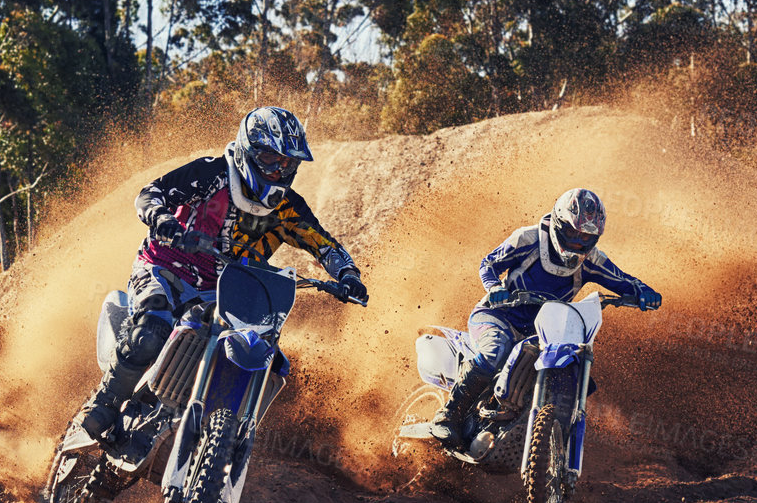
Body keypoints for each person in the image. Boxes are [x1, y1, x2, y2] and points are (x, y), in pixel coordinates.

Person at [77, 106, 369, 440]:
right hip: (165, 270)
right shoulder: (212, 173)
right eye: (271, 159)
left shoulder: (289, 207)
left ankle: (215, 434)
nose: (278, 170)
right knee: (151, 329)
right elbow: (149, 194)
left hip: (223, 293)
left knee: (263, 353)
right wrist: (164, 221)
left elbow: (325, 245)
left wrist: (348, 274)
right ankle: (103, 405)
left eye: (288, 163)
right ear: (248, 151)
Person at [430, 188, 661, 449]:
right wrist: (495, 287)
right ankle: (448, 415)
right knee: (496, 350)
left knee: (570, 369)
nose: (577, 242)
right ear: (559, 224)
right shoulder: (528, 239)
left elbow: (623, 280)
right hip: (498, 316)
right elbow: (489, 263)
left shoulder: (592, 260)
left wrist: (644, 292)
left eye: (585, 237)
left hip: (543, 331)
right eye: (572, 233)